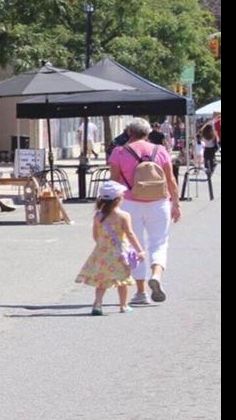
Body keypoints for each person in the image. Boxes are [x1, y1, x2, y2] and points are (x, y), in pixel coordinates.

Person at [108, 117, 180, 306]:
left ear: (129, 132)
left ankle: (141, 292)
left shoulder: (119, 152)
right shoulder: (160, 150)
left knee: (134, 245)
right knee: (159, 242)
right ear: (148, 133)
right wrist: (176, 203)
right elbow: (171, 179)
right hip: (159, 202)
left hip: (130, 204)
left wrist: (110, 208)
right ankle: (156, 275)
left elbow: (114, 182)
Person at [75, 181, 146, 315]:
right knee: (123, 280)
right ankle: (123, 305)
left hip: (102, 252)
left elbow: (95, 235)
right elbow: (130, 234)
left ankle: (97, 304)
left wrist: (102, 245)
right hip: (120, 252)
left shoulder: (98, 216)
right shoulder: (124, 216)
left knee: (102, 280)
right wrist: (139, 250)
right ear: (118, 199)